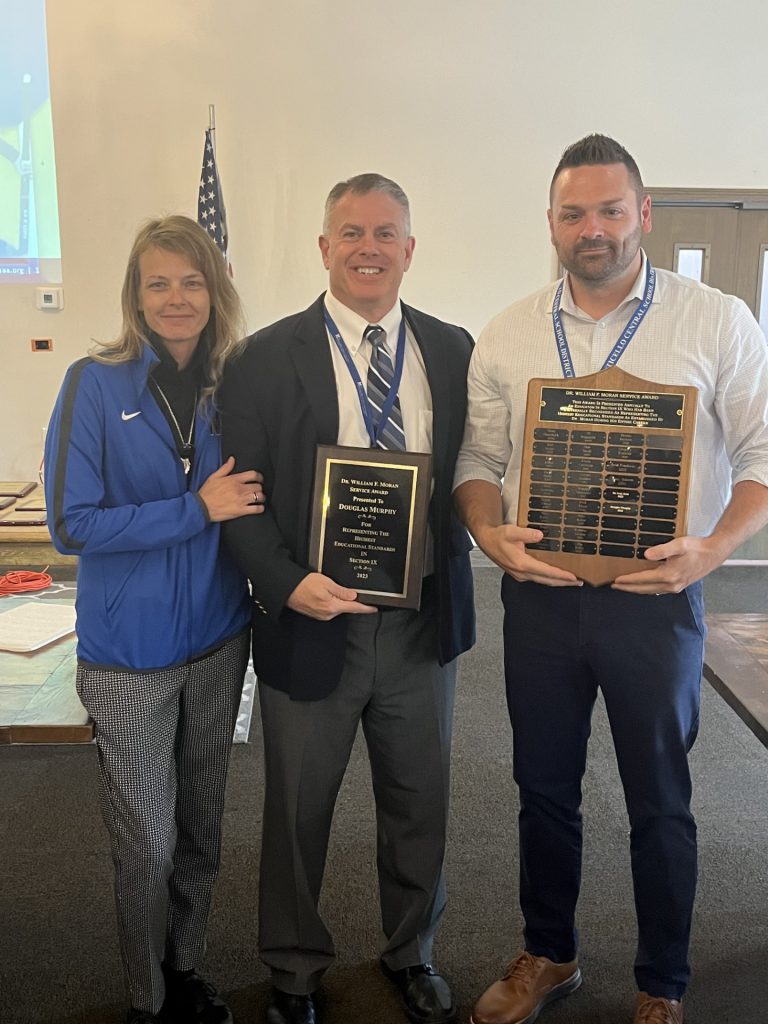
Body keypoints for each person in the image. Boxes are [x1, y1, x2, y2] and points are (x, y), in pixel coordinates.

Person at [453, 135, 768, 1024]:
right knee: (542, 787)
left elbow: (760, 453)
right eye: (572, 213)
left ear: (644, 214)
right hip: (540, 599)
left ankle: (662, 980)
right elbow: (478, 456)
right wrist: (486, 528)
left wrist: (715, 548)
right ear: (550, 223)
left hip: (656, 604)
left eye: (609, 209)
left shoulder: (716, 320)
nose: (591, 229)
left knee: (659, 798)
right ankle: (549, 954)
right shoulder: (510, 331)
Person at [220, 173, 475, 1024]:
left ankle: (413, 952)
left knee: (419, 799)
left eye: (386, 232)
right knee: (297, 809)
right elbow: (241, 496)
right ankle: (292, 971)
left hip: (417, 622)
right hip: (307, 620)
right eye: (351, 233)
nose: (369, 247)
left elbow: (475, 477)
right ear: (324, 248)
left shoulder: (453, 349)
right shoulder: (261, 356)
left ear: (410, 248)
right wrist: (290, 583)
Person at [45, 215, 265, 1024]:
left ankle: (187, 968)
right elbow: (73, 525)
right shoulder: (92, 385)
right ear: (136, 296)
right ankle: (147, 999)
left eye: (192, 280)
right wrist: (191, 509)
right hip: (126, 659)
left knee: (202, 833)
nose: (176, 298)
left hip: (217, 643)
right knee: (148, 843)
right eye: (158, 282)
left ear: (216, 289)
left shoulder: (233, 387)